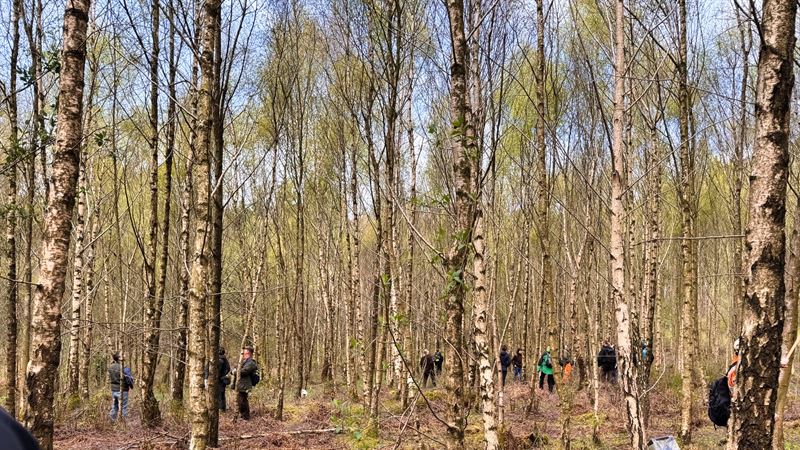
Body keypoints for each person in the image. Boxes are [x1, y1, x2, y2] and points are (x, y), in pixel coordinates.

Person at [108, 352, 134, 422]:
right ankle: (123, 423)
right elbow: (130, 380)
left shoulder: (111, 367)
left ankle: (111, 421)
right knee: (123, 407)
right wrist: (131, 386)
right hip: (123, 390)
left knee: (115, 405)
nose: (125, 355)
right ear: (119, 358)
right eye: (123, 355)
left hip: (114, 390)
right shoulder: (124, 368)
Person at [235, 346, 259, 420]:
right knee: (241, 400)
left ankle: (245, 417)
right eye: (244, 353)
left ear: (249, 353)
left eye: (245, 353)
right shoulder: (245, 361)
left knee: (242, 401)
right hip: (241, 384)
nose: (244, 355)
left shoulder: (251, 362)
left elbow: (245, 371)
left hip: (245, 384)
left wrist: (236, 371)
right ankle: (244, 416)